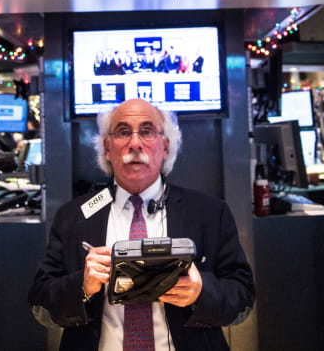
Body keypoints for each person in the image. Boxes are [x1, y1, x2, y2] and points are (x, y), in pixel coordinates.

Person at [28, 98, 255, 350]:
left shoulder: (210, 213)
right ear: (106, 147)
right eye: (123, 132)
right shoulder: (73, 216)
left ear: (165, 146)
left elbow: (243, 301)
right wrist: (81, 285)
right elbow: (40, 306)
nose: (135, 144)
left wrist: (201, 291)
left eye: (147, 131)